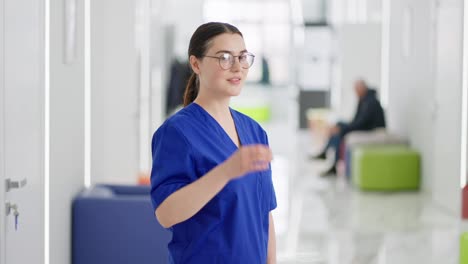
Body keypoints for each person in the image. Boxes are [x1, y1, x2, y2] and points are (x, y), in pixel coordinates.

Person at [150, 22, 277, 264]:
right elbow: (166, 213)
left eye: (242, 57)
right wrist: (227, 171)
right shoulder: (177, 132)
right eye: (225, 58)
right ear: (196, 64)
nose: (237, 67)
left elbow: (264, 214)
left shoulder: (254, 131)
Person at [313, 79, 386, 176]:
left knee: (341, 131)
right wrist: (345, 126)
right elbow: (356, 119)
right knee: (338, 124)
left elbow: (362, 123)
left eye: (356, 90)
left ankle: (331, 161)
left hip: (371, 129)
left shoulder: (371, 102)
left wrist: (345, 128)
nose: (355, 92)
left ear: (362, 89)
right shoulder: (363, 99)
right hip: (364, 126)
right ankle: (326, 152)